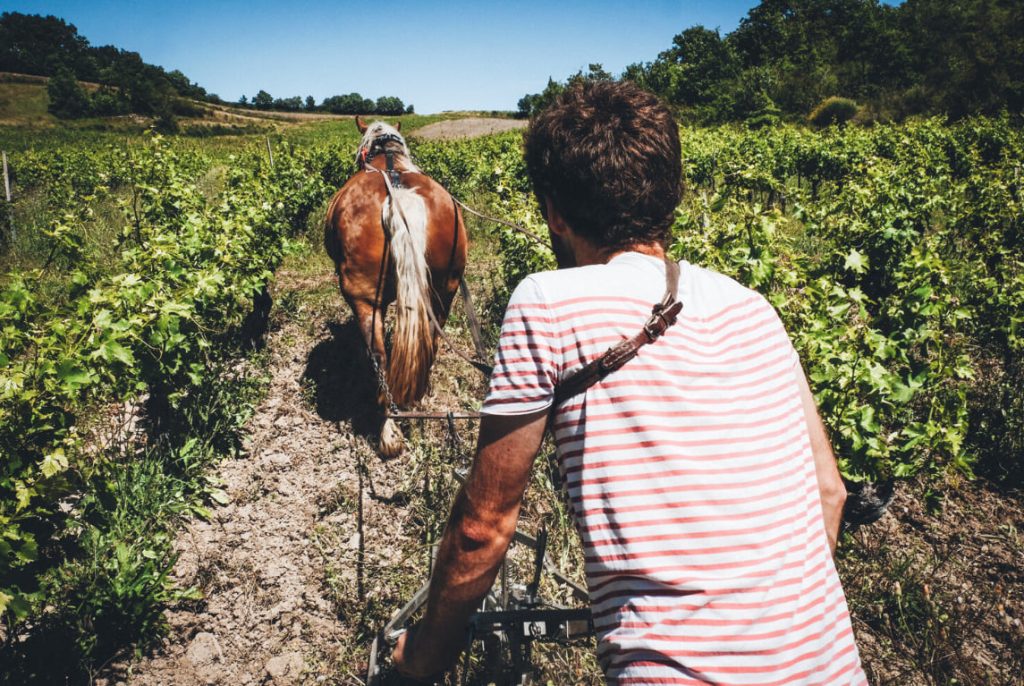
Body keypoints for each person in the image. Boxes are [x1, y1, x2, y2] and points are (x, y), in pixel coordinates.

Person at [393, 80, 867, 685]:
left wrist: (423, 660)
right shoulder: (754, 307)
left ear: (554, 212)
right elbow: (831, 494)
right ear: (670, 194)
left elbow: (482, 529)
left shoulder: (547, 301)